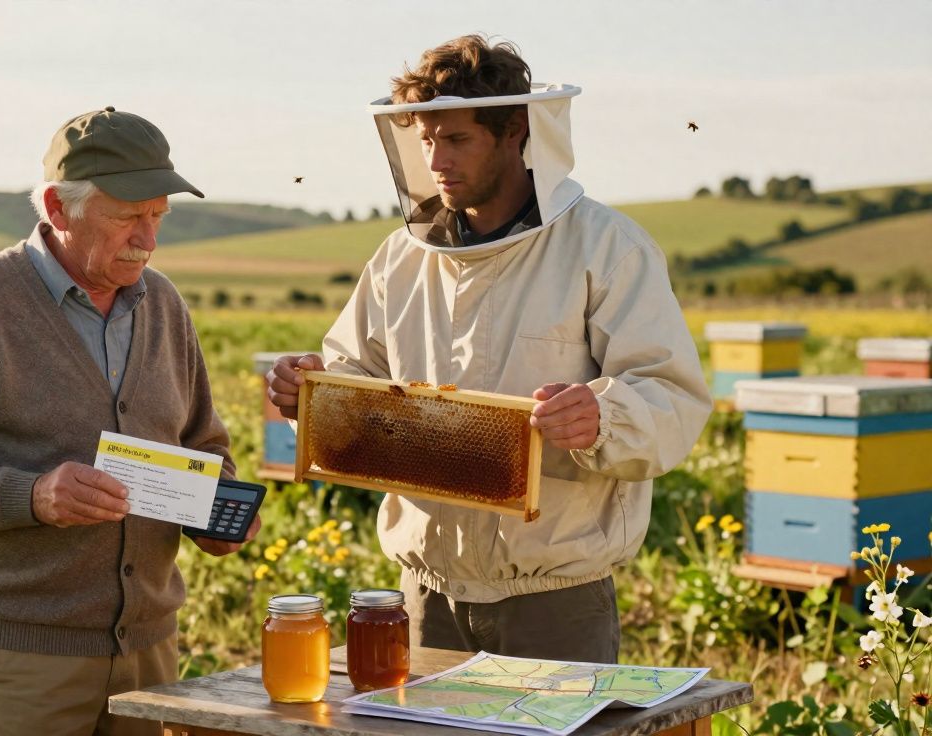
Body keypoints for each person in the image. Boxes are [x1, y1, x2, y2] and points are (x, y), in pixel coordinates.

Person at [267, 35, 710, 664]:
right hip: (425, 595)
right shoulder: (400, 258)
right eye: (426, 139)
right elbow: (355, 370)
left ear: (515, 134)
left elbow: (671, 395)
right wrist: (310, 390)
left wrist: (602, 417)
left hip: (554, 601)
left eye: (457, 139)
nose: (436, 159)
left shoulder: (607, 248)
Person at [0, 106, 259, 735]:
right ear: (58, 208)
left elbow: (202, 444)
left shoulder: (163, 303)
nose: (148, 238)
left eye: (158, 215)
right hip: (22, 661)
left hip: (150, 654)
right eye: (127, 216)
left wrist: (216, 514)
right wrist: (33, 495)